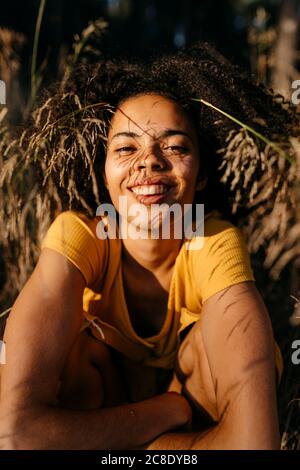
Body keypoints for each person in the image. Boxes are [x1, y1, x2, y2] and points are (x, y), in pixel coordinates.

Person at [0, 43, 290, 450]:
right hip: (156, 419)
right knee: (75, 357)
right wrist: (167, 411)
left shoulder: (213, 242)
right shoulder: (78, 237)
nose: (149, 161)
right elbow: (14, 434)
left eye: (174, 146)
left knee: (207, 347)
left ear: (201, 174)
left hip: (112, 436)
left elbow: (255, 442)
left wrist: (142, 453)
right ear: (103, 174)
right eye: (125, 147)